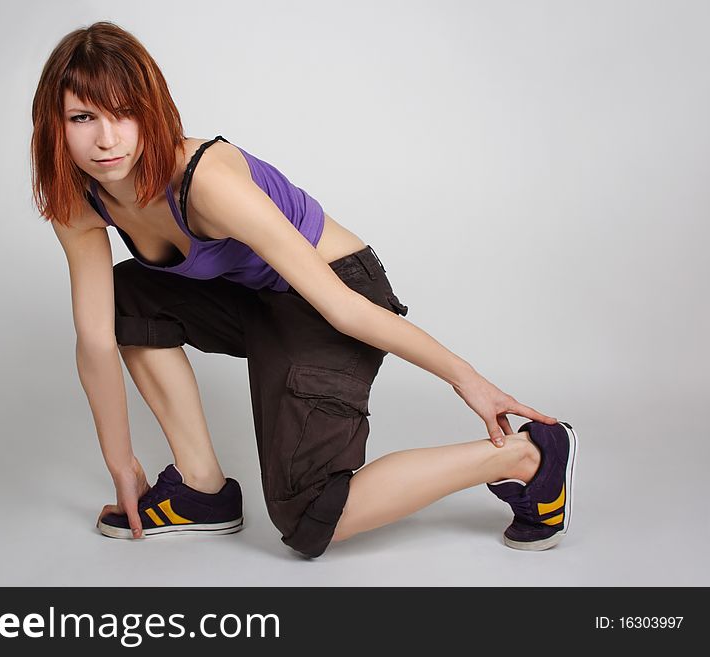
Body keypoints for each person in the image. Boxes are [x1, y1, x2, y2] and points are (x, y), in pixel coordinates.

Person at [30, 21, 579, 559]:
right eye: (83, 117)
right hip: (257, 300)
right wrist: (121, 463)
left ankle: (528, 457)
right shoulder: (78, 200)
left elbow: (342, 308)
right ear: (56, 127)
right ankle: (201, 489)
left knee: (310, 515)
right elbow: (97, 337)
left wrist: (469, 380)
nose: (106, 139)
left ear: (152, 112)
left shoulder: (205, 181)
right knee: (129, 294)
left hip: (335, 294)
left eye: (123, 114)